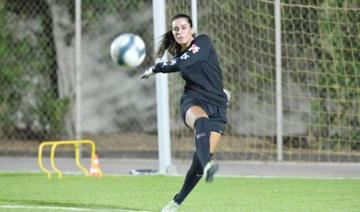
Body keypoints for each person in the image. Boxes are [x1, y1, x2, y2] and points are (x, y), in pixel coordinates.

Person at [141, 13, 229, 212]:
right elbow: (180, 63)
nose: (179, 31)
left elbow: (181, 63)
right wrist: (160, 67)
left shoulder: (202, 42)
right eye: (175, 29)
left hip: (217, 106)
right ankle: (209, 165)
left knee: (196, 166)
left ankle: (177, 201)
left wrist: (156, 68)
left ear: (192, 30)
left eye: (182, 27)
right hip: (193, 100)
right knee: (201, 122)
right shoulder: (179, 56)